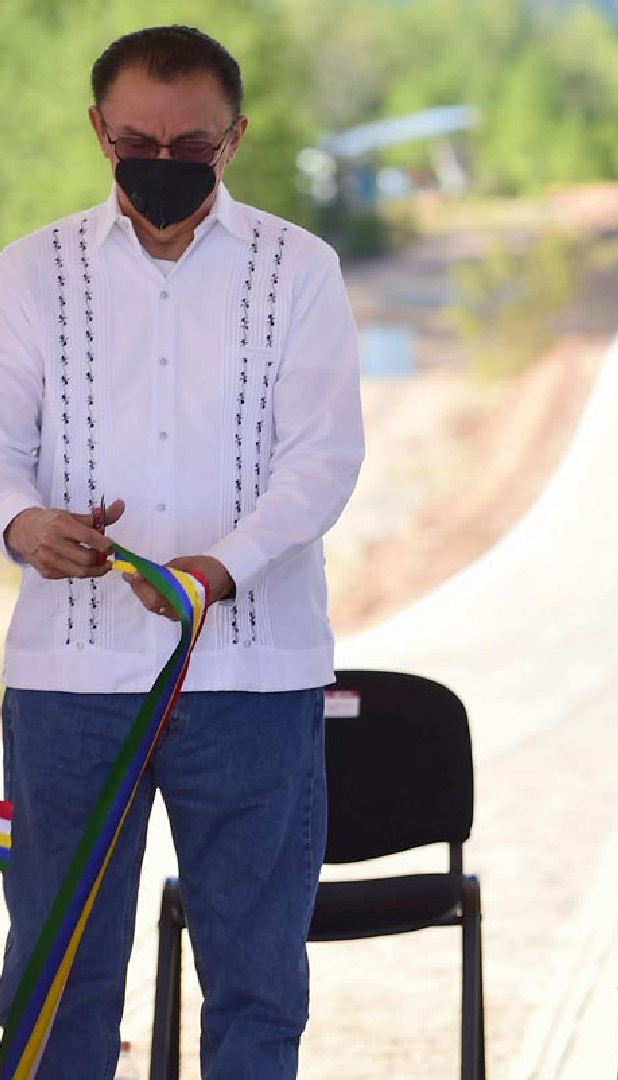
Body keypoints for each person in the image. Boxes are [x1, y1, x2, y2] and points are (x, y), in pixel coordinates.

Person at [0, 25, 364, 1079]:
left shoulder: (300, 270)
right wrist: (24, 524)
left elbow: (323, 459)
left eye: (190, 146)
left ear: (236, 138)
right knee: (57, 978)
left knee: (256, 986)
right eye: (135, 142)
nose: (160, 164)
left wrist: (216, 570)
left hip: (252, 676)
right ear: (97, 132)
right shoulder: (29, 274)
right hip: (68, 682)